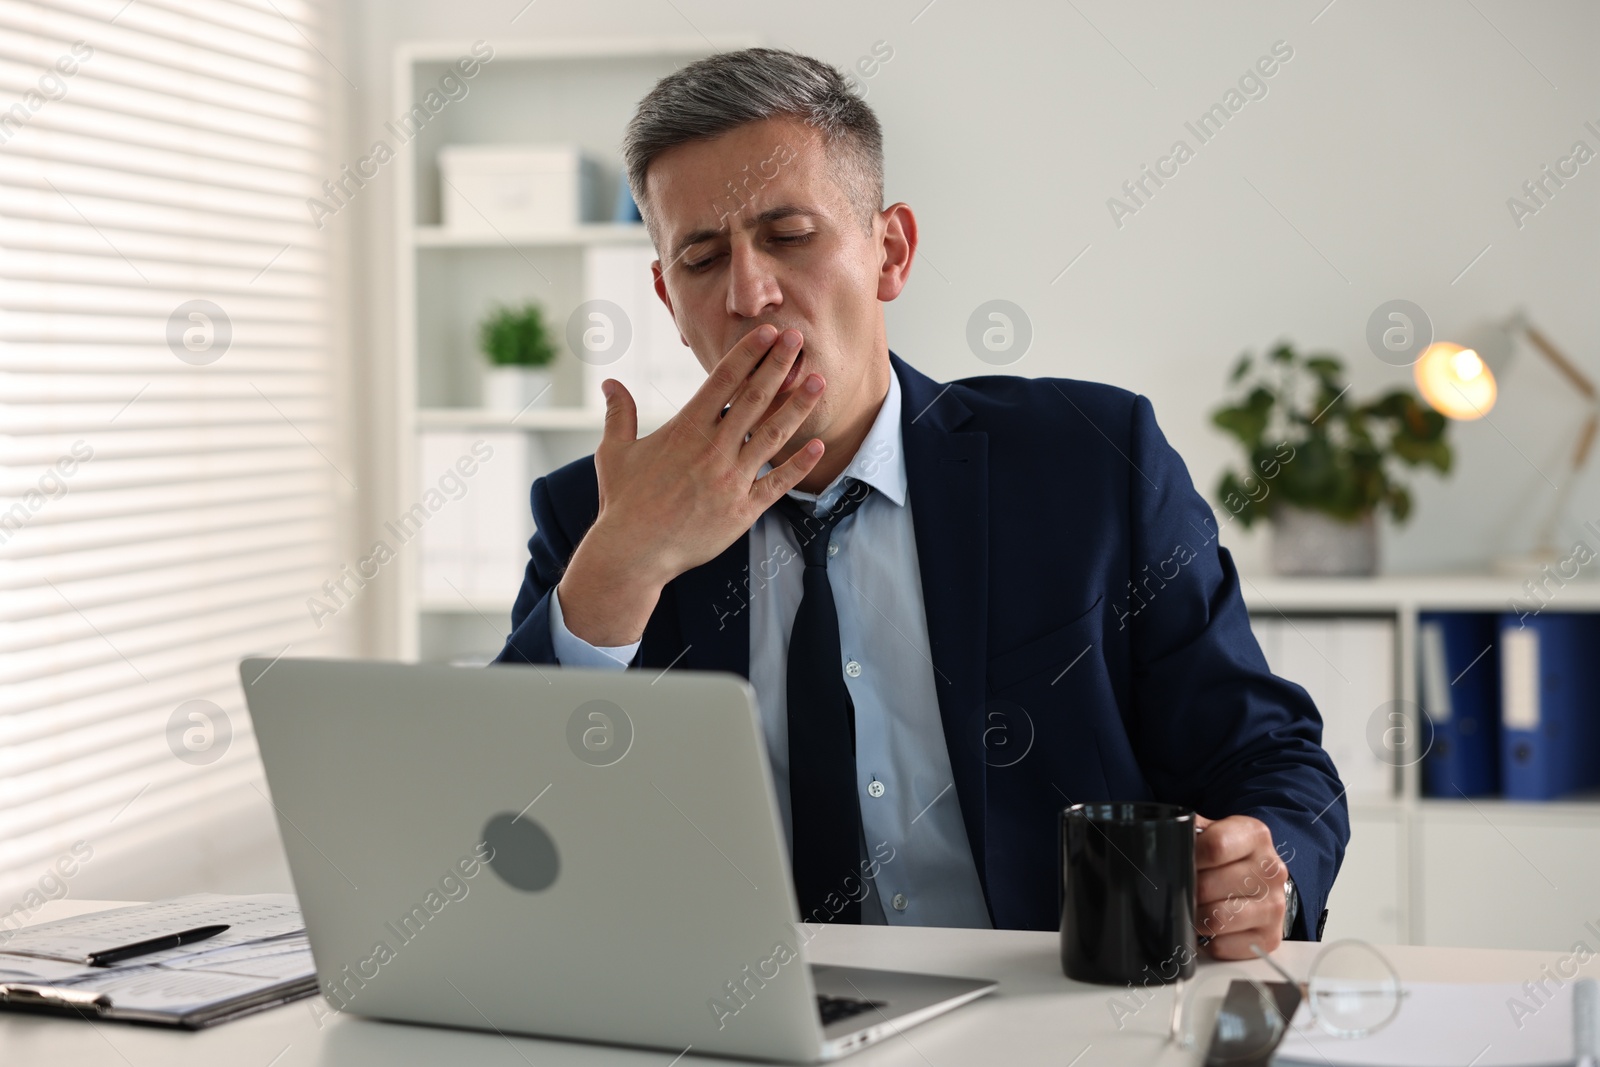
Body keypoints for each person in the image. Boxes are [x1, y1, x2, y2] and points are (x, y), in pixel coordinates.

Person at [495, 47, 1348, 957]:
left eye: (788, 236)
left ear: (889, 251)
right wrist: (626, 565)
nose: (750, 293)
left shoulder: (1092, 461)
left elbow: (1269, 757)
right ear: (669, 299)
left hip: (1055, 1018)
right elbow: (503, 835)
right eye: (703, 258)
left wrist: (1269, 867)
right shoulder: (596, 518)